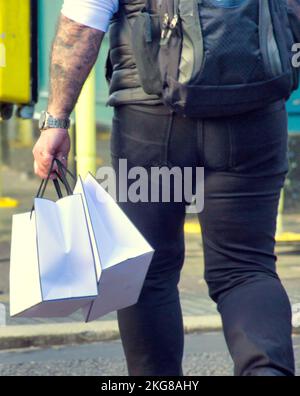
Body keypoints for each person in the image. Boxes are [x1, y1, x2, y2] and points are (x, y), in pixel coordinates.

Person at [33, 0, 300, 376]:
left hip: (151, 124)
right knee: (246, 266)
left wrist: (56, 121)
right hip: (252, 116)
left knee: (149, 269)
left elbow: (81, 25)